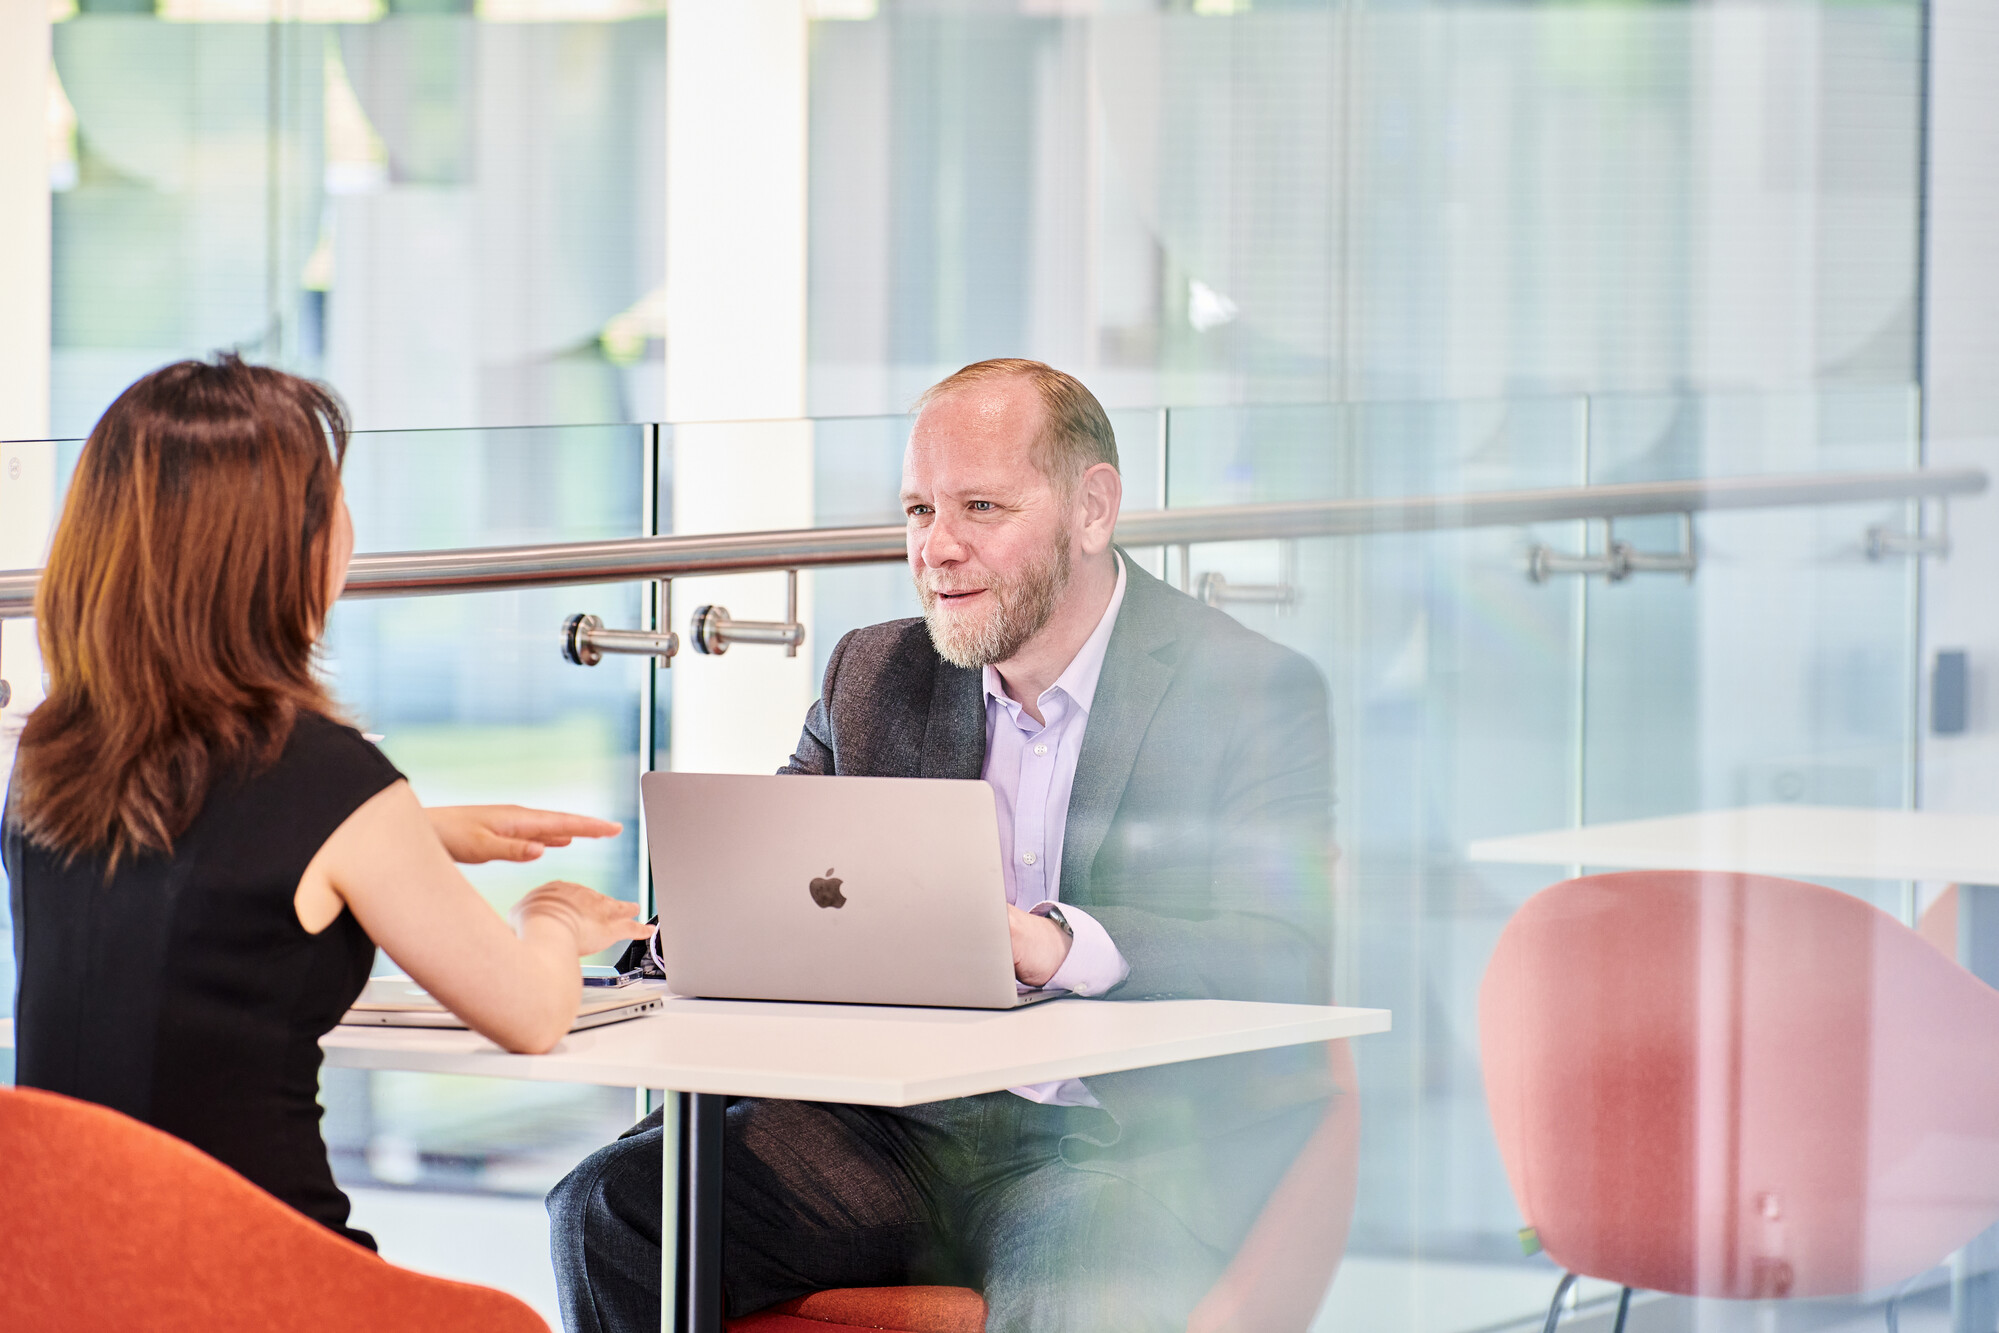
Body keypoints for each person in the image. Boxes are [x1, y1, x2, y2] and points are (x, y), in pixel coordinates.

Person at [548, 359, 1338, 1331]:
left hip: (1116, 1141)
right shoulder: (873, 671)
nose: (937, 548)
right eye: (919, 510)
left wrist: (1056, 943)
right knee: (614, 1210)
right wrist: (693, 932)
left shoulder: (1250, 692)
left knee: (1073, 1293)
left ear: (1093, 509)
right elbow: (783, 877)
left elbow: (1283, 948)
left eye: (981, 507)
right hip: (902, 1129)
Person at [3, 354, 651, 1250]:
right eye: (330, 494)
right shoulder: (324, 776)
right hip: (259, 1279)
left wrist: (412, 838)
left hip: (69, 1271)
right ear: (286, 545)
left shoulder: (52, 750)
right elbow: (531, 1016)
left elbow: (191, 869)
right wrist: (552, 917)